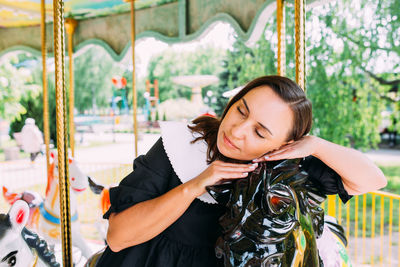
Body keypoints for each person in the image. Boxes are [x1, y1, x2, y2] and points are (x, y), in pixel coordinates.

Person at [96, 76, 387, 267]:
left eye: (260, 132)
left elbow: (372, 179)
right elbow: (118, 237)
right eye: (241, 110)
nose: (237, 130)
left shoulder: (281, 171)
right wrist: (195, 185)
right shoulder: (182, 144)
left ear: (283, 145)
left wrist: (317, 145)